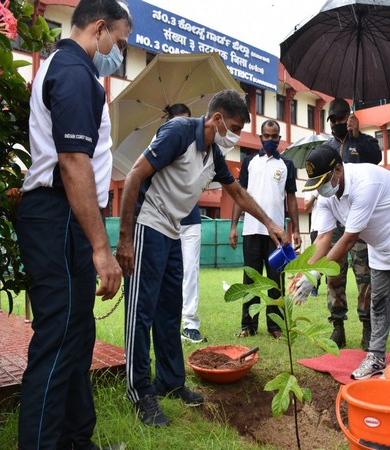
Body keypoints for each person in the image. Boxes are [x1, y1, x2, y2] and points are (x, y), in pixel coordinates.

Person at [116, 90, 288, 427]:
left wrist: (270, 224)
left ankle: (170, 381)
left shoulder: (213, 153)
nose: (236, 135)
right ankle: (140, 391)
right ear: (217, 118)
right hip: (148, 225)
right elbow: (135, 175)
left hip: (173, 231)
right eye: (234, 126)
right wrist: (124, 240)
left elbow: (236, 191)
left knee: (169, 311)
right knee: (142, 313)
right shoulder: (177, 132)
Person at [14, 0, 131, 448]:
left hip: (65, 214)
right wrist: (101, 249)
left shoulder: (64, 67)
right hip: (61, 214)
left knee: (77, 335)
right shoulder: (76, 73)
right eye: (118, 42)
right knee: (60, 340)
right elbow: (72, 161)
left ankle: (75, 438)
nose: (118, 52)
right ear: (100, 29)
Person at [291, 145, 390, 381]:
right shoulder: (325, 196)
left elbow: (348, 240)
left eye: (322, 182)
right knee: (378, 298)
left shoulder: (364, 183)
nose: (320, 189)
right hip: (378, 238)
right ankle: (376, 357)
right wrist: (304, 273)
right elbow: (324, 238)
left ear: (337, 170)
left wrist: (316, 274)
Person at [229, 120, 301, 339]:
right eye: (266, 136)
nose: (270, 140)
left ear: (279, 138)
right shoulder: (250, 162)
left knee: (275, 280)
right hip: (251, 231)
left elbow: (291, 197)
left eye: (274, 136)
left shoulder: (286, 165)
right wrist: (233, 226)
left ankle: (275, 326)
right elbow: (240, 195)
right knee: (250, 279)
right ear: (261, 138)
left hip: (276, 234)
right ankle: (247, 325)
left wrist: (296, 229)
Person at [323, 98, 382, 350]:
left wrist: (357, 136)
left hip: (360, 224)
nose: (337, 123)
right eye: (333, 120)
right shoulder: (327, 147)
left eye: (341, 118)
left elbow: (376, 158)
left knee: (364, 277)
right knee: (334, 276)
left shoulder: (363, 142)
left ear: (349, 117)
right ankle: (338, 327)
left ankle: (367, 328)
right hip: (336, 223)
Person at [162, 103, 207, 344]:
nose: (185, 126)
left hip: (191, 221)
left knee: (190, 271)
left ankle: (190, 323)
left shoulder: (200, 149)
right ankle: (167, 324)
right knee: (168, 274)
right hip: (165, 221)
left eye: (188, 121)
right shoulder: (161, 146)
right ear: (168, 122)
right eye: (179, 121)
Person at [303, 188, 320, 296]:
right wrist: (315, 194)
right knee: (316, 258)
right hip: (316, 227)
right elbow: (305, 207)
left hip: (333, 227)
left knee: (332, 259)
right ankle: (314, 288)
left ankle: (333, 288)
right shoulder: (311, 187)